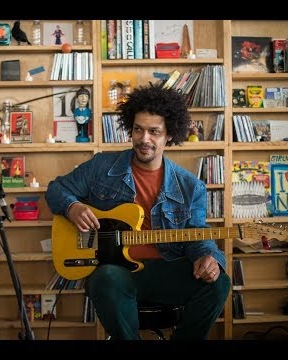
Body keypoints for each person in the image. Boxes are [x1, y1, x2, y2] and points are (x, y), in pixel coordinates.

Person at [45, 83, 231, 340]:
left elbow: (197, 233)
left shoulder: (190, 186)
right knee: (105, 277)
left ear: (169, 135)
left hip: (166, 269)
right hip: (118, 274)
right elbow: (56, 190)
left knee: (219, 282)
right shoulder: (103, 166)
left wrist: (208, 257)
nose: (144, 139)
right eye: (138, 130)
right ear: (130, 130)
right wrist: (72, 206)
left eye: (154, 132)